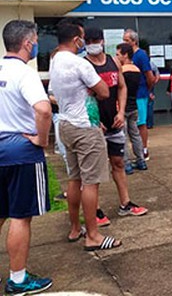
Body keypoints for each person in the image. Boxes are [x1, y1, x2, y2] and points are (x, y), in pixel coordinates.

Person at [49, 19, 122, 251]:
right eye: (82, 38)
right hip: (85, 127)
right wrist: (93, 87)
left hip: (65, 125)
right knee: (91, 182)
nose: (85, 43)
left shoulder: (55, 61)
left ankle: (75, 228)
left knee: (74, 179)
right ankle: (93, 236)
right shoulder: (80, 63)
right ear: (76, 40)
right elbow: (103, 91)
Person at [0, 20, 53, 294]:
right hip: (20, 152)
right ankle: (18, 279)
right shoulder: (25, 73)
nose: (36, 45)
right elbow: (43, 110)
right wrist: (42, 140)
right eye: (35, 40)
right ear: (26, 44)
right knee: (20, 216)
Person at [84, 28, 148, 220]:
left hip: (115, 122)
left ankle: (125, 203)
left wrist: (121, 112)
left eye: (96, 39)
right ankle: (95, 210)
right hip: (95, 126)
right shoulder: (83, 65)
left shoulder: (113, 61)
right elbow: (82, 97)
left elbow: (122, 86)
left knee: (118, 163)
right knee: (95, 170)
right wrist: (93, 120)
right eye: (89, 40)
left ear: (103, 41)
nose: (93, 43)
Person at [122, 29, 155, 161]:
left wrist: (147, 90)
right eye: (123, 40)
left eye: (126, 40)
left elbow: (150, 77)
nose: (124, 42)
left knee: (140, 123)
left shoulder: (141, 55)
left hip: (140, 94)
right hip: (128, 95)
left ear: (134, 41)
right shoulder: (125, 56)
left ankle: (144, 149)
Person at [115, 43, 147, 174]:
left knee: (122, 137)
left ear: (125, 54)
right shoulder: (137, 70)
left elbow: (119, 88)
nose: (116, 57)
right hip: (134, 106)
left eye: (118, 54)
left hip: (123, 107)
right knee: (135, 135)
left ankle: (126, 164)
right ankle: (141, 160)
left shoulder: (122, 71)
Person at [146, 58, 160, 129]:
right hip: (149, 86)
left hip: (147, 86)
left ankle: (148, 124)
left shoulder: (148, 64)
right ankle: (149, 124)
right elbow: (157, 73)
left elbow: (156, 74)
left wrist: (153, 82)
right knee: (149, 105)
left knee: (148, 105)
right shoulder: (152, 63)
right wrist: (155, 81)